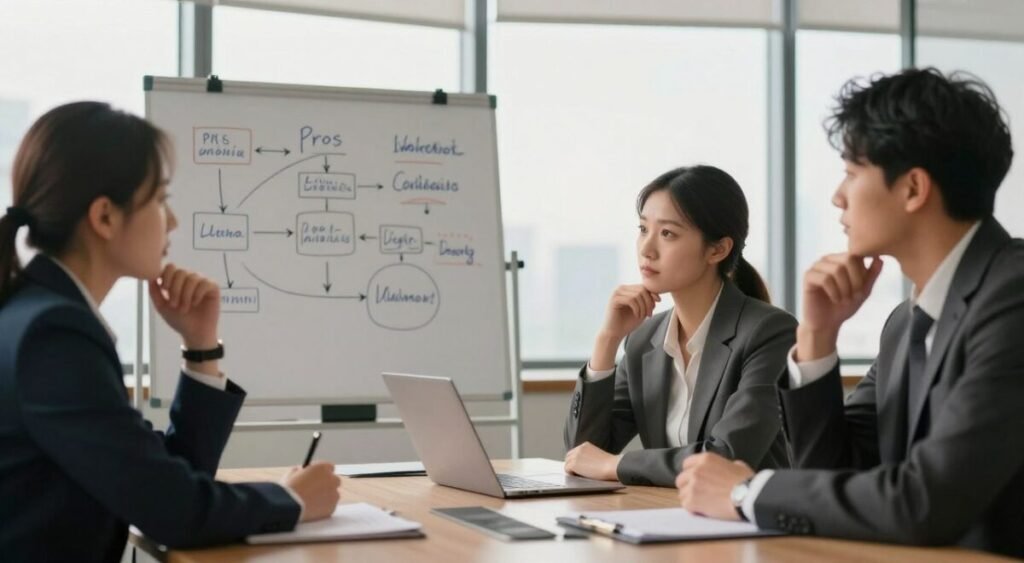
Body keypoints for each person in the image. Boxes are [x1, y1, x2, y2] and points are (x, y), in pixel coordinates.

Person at [675, 68, 1024, 557]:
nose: (839, 196)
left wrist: (743, 493)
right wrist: (818, 337)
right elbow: (835, 477)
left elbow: (928, 502)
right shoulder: (907, 323)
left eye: (852, 173)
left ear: (913, 189)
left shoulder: (1013, 296)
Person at [0, 102, 341, 562]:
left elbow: (160, 479)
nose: (173, 222)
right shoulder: (54, 335)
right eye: (160, 200)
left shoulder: (35, 313)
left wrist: (200, 348)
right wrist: (293, 502)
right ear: (104, 217)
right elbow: (173, 511)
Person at [563, 165, 796, 487]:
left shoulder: (770, 332)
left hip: (748, 525)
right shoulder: (644, 339)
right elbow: (583, 453)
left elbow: (725, 457)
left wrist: (616, 465)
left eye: (668, 233)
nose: (647, 249)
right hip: (671, 518)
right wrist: (607, 341)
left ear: (718, 249)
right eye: (643, 229)